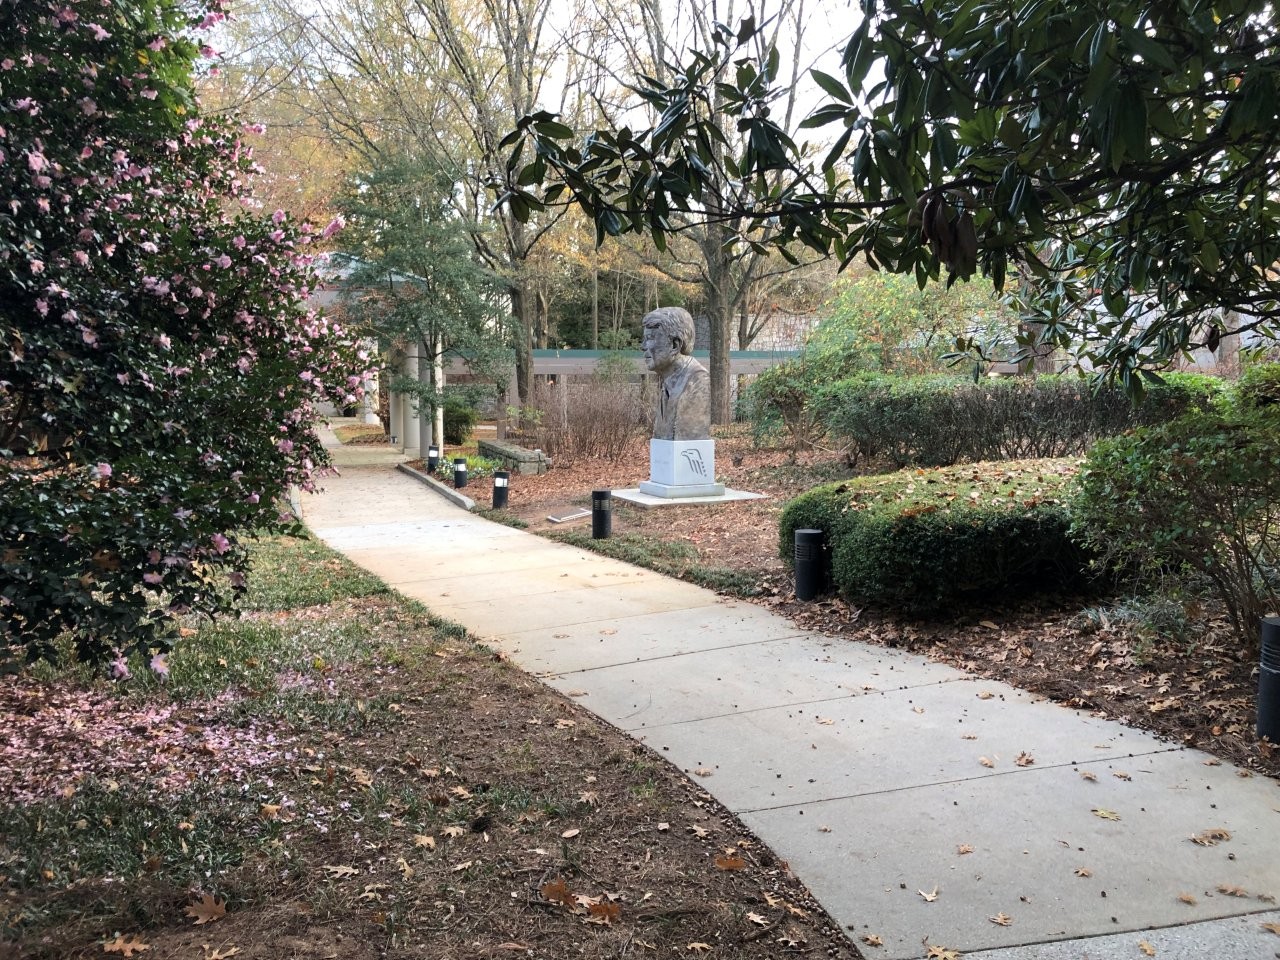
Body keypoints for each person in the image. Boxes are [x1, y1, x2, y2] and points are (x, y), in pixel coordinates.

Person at [641, 307, 711, 441]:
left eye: (650, 338)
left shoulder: (696, 380)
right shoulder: (668, 381)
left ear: (675, 345)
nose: (643, 346)